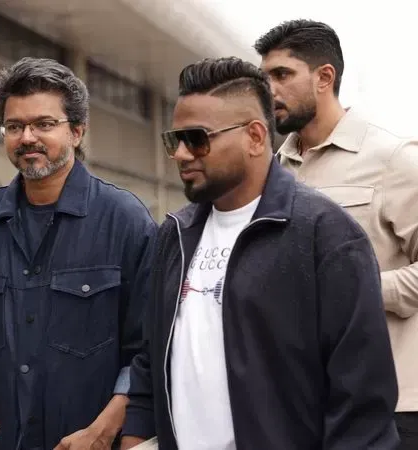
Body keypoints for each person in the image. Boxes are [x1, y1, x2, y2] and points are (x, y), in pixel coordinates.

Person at [120, 57, 399, 450]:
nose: (181, 154)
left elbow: (361, 404)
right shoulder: (175, 235)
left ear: (254, 137)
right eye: (174, 140)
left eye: (196, 138)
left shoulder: (327, 235)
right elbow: (151, 362)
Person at [0, 57, 157, 450]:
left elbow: (147, 348)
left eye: (43, 124)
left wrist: (105, 429)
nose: (27, 137)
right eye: (14, 126)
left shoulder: (125, 221)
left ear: (77, 131)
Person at [256, 19, 418, 448]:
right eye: (264, 77)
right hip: (303, 405)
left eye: (282, 75)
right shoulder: (272, 173)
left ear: (324, 77)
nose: (268, 90)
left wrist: (352, 290)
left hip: (392, 406)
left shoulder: (394, 159)